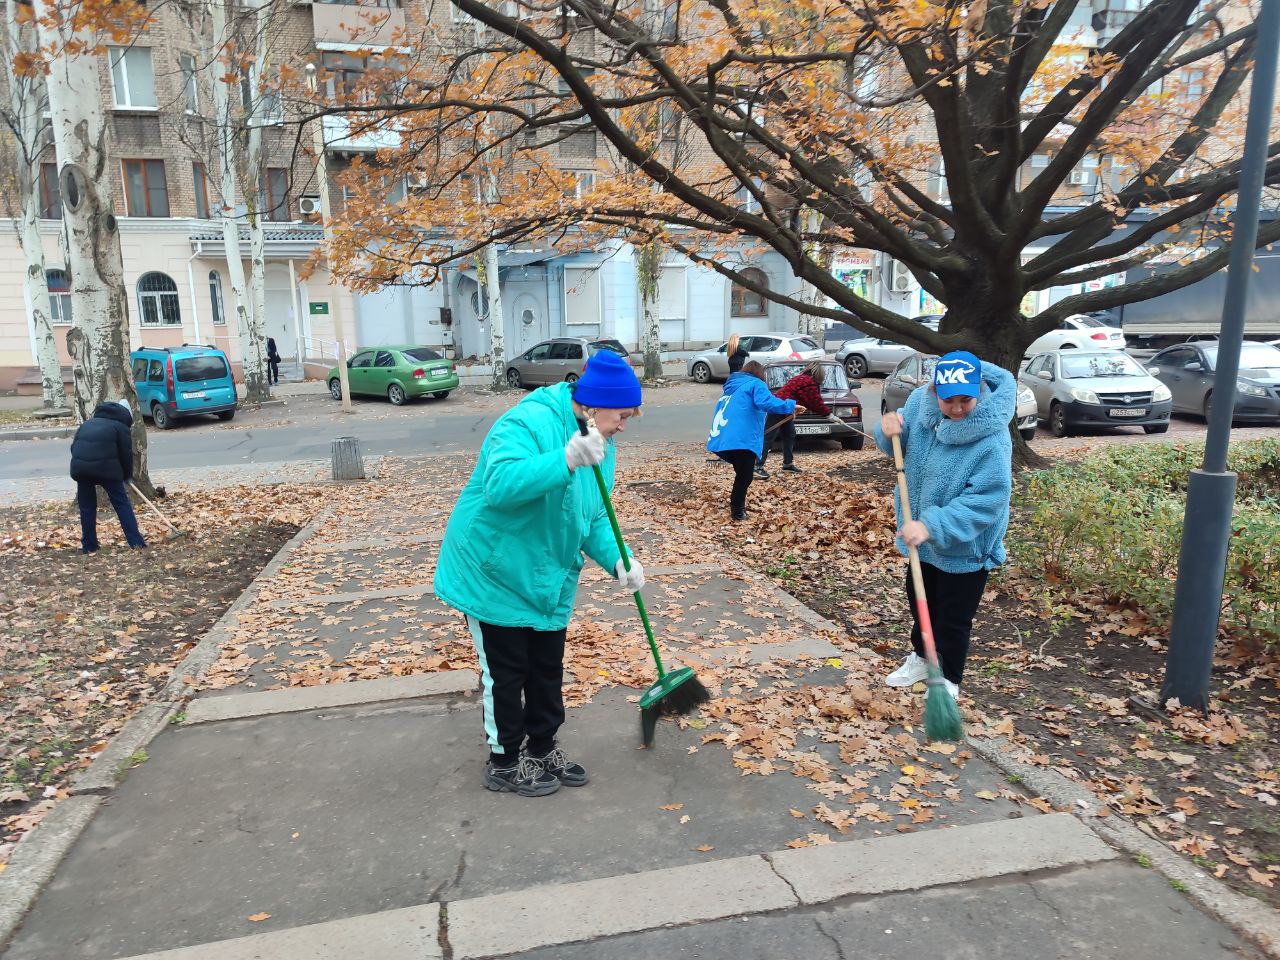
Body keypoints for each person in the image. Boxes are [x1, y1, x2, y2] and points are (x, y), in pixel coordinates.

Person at [433, 350, 644, 797]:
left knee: (546, 667)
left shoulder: (601, 444)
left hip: (546, 572)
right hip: (493, 570)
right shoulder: (526, 422)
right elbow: (502, 485)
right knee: (508, 672)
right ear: (594, 403)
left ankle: (542, 748)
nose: (625, 424)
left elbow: (596, 515)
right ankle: (505, 761)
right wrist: (565, 459)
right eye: (622, 415)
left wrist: (619, 560)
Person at [873, 350, 1014, 699]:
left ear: (979, 389)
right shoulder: (923, 406)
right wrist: (888, 427)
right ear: (935, 391)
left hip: (965, 546)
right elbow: (899, 442)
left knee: (952, 619)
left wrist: (932, 525)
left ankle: (948, 677)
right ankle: (922, 658)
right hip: (923, 540)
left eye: (966, 399)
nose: (956, 408)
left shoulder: (992, 438)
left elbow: (986, 500)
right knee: (921, 606)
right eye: (948, 399)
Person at [706, 359, 801, 521]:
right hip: (742, 440)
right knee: (745, 476)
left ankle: (738, 507)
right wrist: (790, 406)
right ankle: (737, 512)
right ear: (759, 374)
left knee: (742, 474)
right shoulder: (756, 384)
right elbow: (766, 402)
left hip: (726, 439)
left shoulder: (731, 390)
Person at [69, 400, 147, 554]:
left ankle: (89, 545)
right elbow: (126, 456)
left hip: (81, 469)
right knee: (122, 504)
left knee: (86, 507)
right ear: (126, 416)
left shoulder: (87, 424)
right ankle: (136, 542)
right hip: (108, 471)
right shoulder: (121, 427)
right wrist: (126, 476)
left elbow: (74, 447)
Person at [758, 359, 830, 477]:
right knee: (768, 437)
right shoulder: (808, 382)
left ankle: (788, 464)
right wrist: (829, 415)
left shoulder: (802, 379)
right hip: (779, 408)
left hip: (785, 409)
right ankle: (757, 466)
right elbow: (815, 402)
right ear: (818, 375)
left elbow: (803, 398)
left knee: (789, 434)